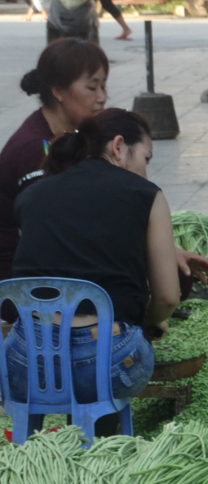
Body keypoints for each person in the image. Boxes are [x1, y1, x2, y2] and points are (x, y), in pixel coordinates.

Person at [5, 108, 179, 435]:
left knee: (58, 347)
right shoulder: (147, 195)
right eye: (146, 157)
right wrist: (151, 321)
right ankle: (101, 446)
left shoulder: (31, 196)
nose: (146, 168)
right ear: (117, 146)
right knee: (110, 354)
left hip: (25, 363)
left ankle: (29, 452)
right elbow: (168, 295)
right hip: (106, 364)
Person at [0, 38, 208, 291]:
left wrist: (167, 251)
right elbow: (61, 231)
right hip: (23, 287)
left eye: (104, 86)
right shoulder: (33, 149)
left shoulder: (69, 137)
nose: (102, 97)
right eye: (92, 88)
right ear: (58, 90)